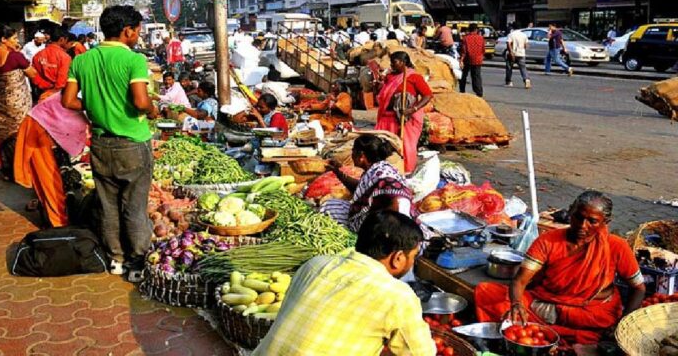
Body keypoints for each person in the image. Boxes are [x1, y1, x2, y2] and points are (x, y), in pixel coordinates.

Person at [61, 5, 159, 283]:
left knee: (108, 204)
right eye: (137, 30)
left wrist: (94, 107)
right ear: (127, 31)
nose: (138, 36)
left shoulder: (82, 60)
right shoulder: (134, 60)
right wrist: (151, 111)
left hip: (101, 144)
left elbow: (68, 101)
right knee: (134, 205)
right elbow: (141, 101)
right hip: (133, 143)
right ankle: (137, 262)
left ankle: (115, 258)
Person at [253, 210, 436, 356]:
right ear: (397, 258)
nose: (413, 263)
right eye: (412, 257)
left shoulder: (315, 264)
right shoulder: (398, 296)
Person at [475, 190, 646, 345]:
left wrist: (622, 322)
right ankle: (558, 335)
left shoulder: (617, 246)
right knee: (486, 292)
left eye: (592, 221)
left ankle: (546, 334)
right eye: (578, 217)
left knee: (602, 326)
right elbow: (520, 281)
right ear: (571, 211)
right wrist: (517, 304)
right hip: (548, 306)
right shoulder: (548, 240)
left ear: (605, 222)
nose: (582, 225)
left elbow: (638, 288)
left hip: (591, 313)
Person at [14, 92, 89, 227]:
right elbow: (69, 100)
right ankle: (59, 224)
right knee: (50, 181)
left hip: (48, 123)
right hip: (41, 126)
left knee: (50, 179)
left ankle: (58, 220)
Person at [322, 135, 419, 232]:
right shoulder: (378, 168)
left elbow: (398, 200)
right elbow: (361, 190)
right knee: (332, 204)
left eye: (353, 152)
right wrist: (338, 172)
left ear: (361, 156)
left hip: (392, 225)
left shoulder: (381, 174)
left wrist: (387, 229)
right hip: (379, 215)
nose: (351, 155)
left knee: (329, 210)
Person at [0, 24, 39, 181]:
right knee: (20, 135)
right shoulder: (15, 57)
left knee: (2, 136)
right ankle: (20, 170)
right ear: (3, 39)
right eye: (13, 38)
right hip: (16, 104)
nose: (16, 41)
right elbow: (33, 74)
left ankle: (7, 171)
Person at [375, 51, 433, 173]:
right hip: (386, 118)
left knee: (405, 147)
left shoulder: (414, 77)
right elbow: (383, 94)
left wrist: (413, 109)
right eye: (391, 62)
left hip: (404, 119)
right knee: (384, 146)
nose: (391, 65)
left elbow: (427, 95)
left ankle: (406, 171)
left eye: (394, 62)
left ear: (403, 62)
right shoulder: (390, 77)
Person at [31, 25, 72, 100]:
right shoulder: (65, 57)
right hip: (58, 95)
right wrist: (53, 90)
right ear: (62, 39)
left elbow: (33, 75)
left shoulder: (37, 55)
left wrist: (44, 86)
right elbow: (62, 81)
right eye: (67, 40)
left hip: (43, 93)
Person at [459, 23, 486, 97]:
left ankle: (462, 90)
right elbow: (483, 50)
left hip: (468, 59)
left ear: (469, 30)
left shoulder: (466, 38)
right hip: (478, 59)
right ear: (476, 30)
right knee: (476, 76)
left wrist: (461, 60)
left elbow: (464, 51)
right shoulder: (481, 38)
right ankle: (479, 92)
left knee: (463, 75)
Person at [505, 22, 531, 89]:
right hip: (521, 53)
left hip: (513, 53)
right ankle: (526, 79)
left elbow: (508, 44)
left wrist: (511, 52)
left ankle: (509, 81)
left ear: (513, 27)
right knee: (523, 68)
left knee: (509, 68)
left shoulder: (511, 35)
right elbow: (526, 45)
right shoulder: (524, 35)